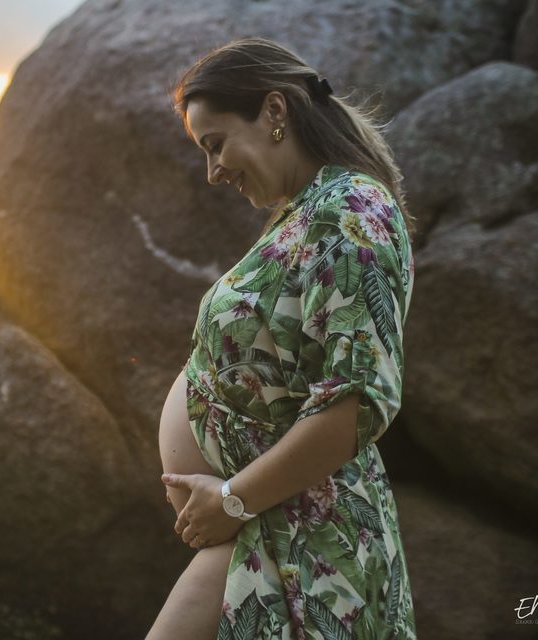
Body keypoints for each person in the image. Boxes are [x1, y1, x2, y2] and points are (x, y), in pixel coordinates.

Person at [148, 37, 418, 640]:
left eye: (215, 145)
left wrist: (235, 499)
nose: (213, 172)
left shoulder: (349, 211)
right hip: (270, 529)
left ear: (274, 111)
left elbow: (357, 402)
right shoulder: (307, 210)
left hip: (300, 540)